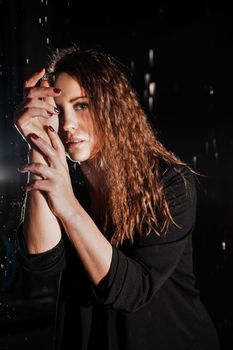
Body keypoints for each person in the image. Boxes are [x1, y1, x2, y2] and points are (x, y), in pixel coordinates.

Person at [14, 45, 221, 350]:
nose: (68, 124)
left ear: (112, 106)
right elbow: (41, 261)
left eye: (81, 105)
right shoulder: (71, 186)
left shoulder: (170, 183)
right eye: (59, 111)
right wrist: (39, 143)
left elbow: (132, 291)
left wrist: (68, 206)